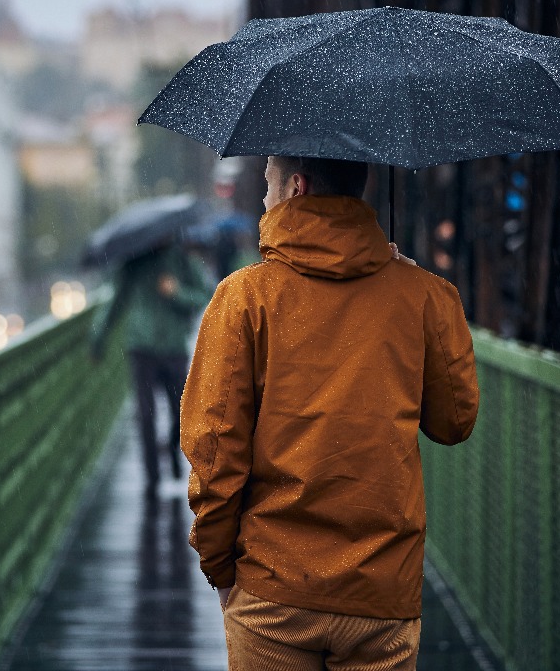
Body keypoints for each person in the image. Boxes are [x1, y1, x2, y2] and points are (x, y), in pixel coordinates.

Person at [180, 155, 479, 670]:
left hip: (274, 588)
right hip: (382, 594)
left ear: (296, 187)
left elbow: (214, 450)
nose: (263, 201)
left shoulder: (245, 297)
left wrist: (220, 567)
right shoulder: (423, 295)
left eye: (268, 185)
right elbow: (454, 421)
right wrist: (430, 300)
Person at [92, 241, 212, 492]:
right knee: (145, 415)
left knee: (181, 411)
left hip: (173, 347)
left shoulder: (181, 260)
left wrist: (176, 292)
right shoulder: (133, 262)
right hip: (142, 347)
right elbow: (115, 302)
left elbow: (204, 295)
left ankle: (172, 447)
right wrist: (98, 337)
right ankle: (152, 477)